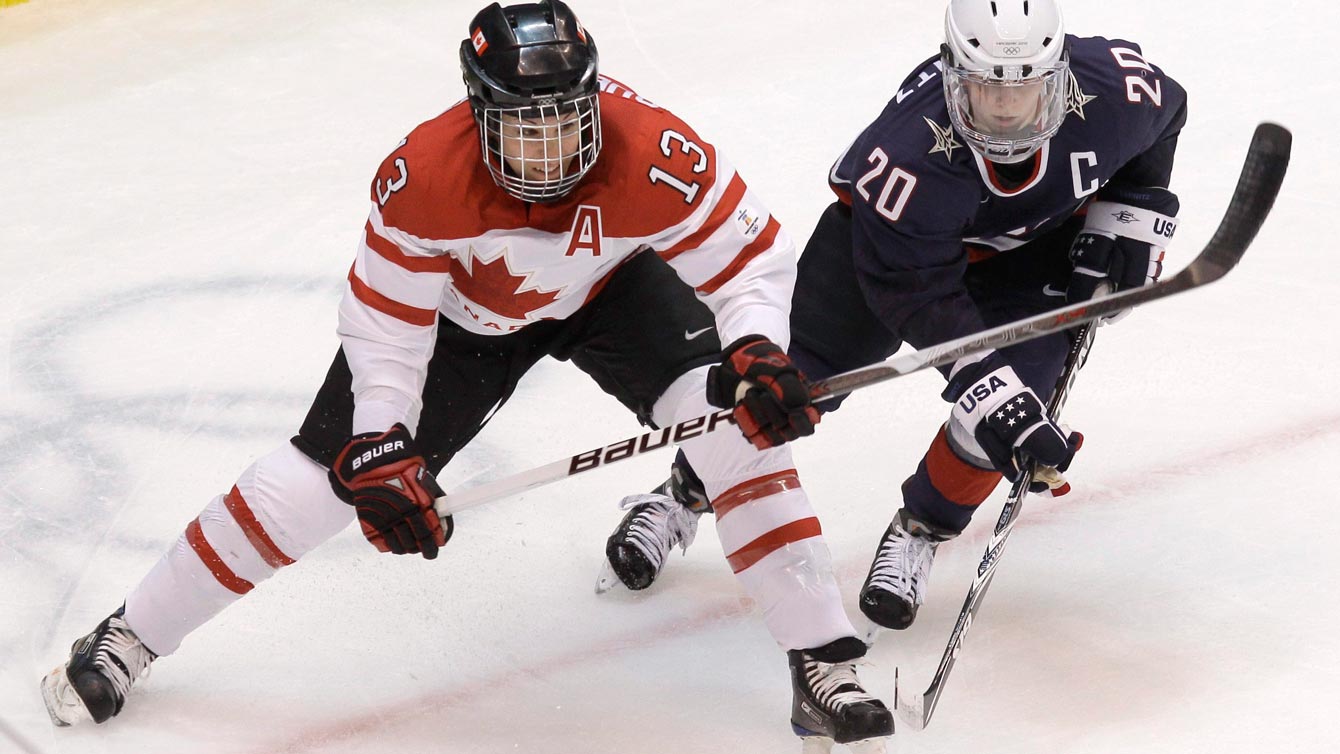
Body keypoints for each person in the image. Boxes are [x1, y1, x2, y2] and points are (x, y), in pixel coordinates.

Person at [38, 1, 894, 748]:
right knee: (308, 490)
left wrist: (752, 350)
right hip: (462, 326)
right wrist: (379, 442)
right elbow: (388, 325)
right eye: (528, 126)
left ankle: (823, 660)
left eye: (569, 118)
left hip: (613, 291)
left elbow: (747, 264)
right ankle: (129, 635)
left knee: (733, 436)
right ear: (479, 115)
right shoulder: (424, 180)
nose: (554, 148)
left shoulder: (654, 152)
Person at [600, 0, 1186, 635]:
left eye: (1026, 86)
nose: (1008, 109)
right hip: (884, 260)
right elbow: (919, 298)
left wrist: (1132, 210)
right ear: (952, 70)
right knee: (785, 386)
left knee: (1019, 412)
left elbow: (1168, 112)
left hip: (1027, 258)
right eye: (988, 87)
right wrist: (988, 388)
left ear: (1060, 71)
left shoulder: (1114, 89)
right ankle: (685, 492)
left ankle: (922, 530)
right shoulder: (908, 155)